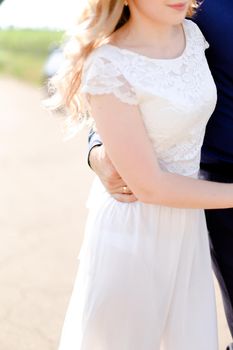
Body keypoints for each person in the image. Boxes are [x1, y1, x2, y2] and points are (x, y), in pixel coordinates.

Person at [49, 1, 233, 349]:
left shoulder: (190, 34)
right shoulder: (108, 62)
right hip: (138, 225)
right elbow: (146, 182)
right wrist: (97, 150)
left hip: (188, 225)